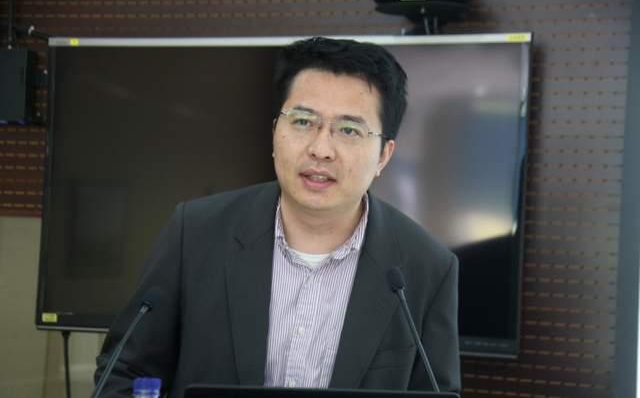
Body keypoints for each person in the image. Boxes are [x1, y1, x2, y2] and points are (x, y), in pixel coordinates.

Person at [95, 36, 460, 397]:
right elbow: (123, 373)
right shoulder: (195, 233)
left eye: (349, 130)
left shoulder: (426, 268)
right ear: (274, 133)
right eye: (302, 122)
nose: (320, 149)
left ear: (384, 155)